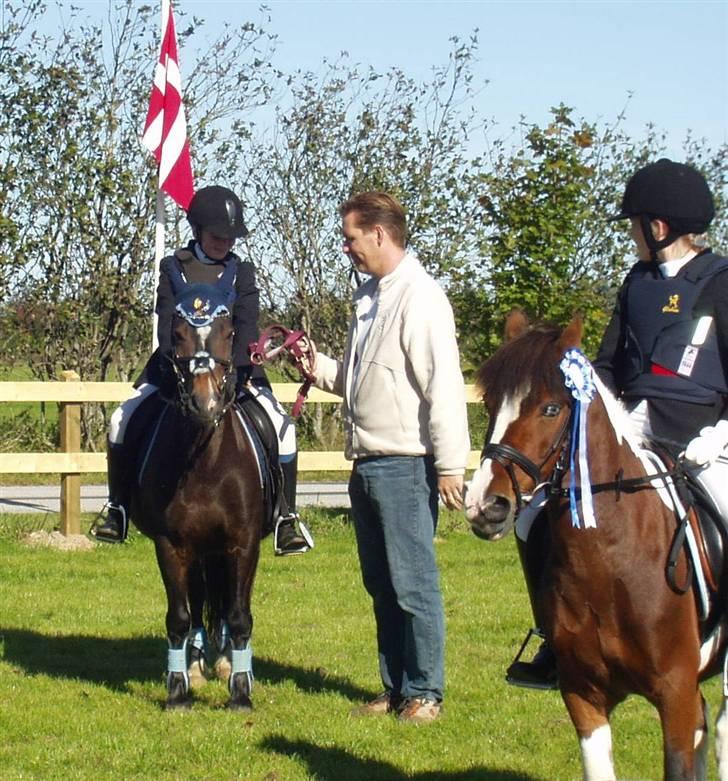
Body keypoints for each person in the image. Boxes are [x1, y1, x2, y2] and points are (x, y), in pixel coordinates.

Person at [507, 158, 728, 689]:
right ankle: (552, 636)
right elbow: (606, 367)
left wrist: (716, 437)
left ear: (656, 228)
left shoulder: (722, 283)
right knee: (532, 515)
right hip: (635, 430)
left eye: (633, 225)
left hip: (706, 437)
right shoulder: (636, 283)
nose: (631, 235)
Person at [311, 192, 470, 723]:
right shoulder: (372, 297)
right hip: (368, 463)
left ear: (379, 234)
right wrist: (317, 367)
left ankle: (426, 692)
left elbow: (441, 386)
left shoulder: (420, 298)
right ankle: (396, 687)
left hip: (405, 465)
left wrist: (450, 464)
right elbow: (364, 383)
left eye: (351, 237)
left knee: (413, 583)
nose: (347, 247)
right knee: (381, 583)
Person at [93, 185, 312, 556]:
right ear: (197, 229)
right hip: (173, 370)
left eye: (230, 237)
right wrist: (179, 365)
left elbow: (246, 322)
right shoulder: (173, 267)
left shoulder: (241, 271)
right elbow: (165, 325)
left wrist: (240, 364)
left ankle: (285, 517)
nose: (224, 242)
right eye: (217, 236)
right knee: (120, 419)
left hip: (236, 371)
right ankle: (118, 507)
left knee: (283, 429)